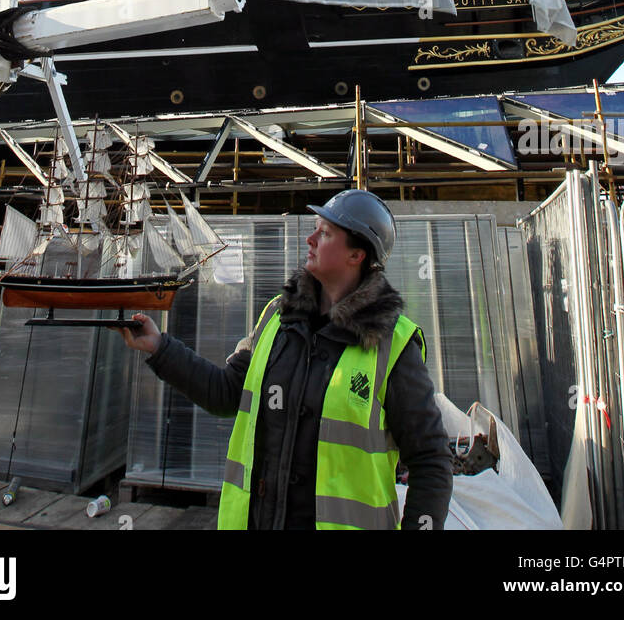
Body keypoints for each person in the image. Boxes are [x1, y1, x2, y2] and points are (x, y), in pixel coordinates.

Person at [119, 189, 454, 530]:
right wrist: (161, 348)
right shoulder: (276, 319)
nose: (309, 239)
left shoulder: (393, 345)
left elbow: (430, 459)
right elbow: (226, 391)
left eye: (324, 233)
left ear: (357, 253)